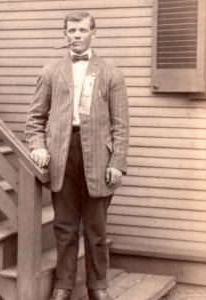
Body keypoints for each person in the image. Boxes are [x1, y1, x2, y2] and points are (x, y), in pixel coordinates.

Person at [25, 11, 129, 300]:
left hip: (99, 157)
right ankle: (63, 285)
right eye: (71, 31)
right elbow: (34, 120)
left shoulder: (111, 73)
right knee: (64, 226)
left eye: (82, 30)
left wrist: (118, 162)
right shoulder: (50, 71)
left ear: (93, 33)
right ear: (64, 34)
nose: (76, 36)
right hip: (62, 155)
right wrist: (38, 146)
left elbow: (121, 124)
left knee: (96, 227)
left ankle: (98, 286)